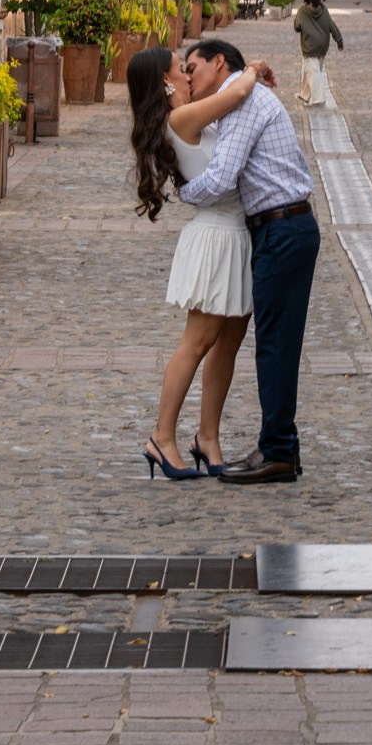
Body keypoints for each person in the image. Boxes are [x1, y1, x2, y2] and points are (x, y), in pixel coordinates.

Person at [175, 38, 315, 485]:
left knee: (275, 345)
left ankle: (279, 451)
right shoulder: (237, 95)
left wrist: (183, 193)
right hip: (279, 228)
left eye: (193, 68)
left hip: (282, 228)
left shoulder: (243, 101)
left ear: (219, 63)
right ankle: (280, 445)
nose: (189, 78)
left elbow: (221, 177)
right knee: (275, 342)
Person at [125, 46, 261, 479]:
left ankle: (208, 437)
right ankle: (161, 437)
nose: (188, 76)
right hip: (216, 236)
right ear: (166, 82)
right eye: (180, 70)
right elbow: (235, 93)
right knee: (197, 342)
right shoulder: (181, 118)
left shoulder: (186, 116)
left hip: (234, 233)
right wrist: (252, 69)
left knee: (228, 343)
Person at [293, 0, 345, 108]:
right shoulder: (323, 9)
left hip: (309, 46)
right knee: (313, 72)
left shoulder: (303, 10)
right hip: (322, 45)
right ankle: (305, 95)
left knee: (313, 73)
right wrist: (339, 41)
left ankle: (318, 98)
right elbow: (332, 26)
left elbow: (297, 27)